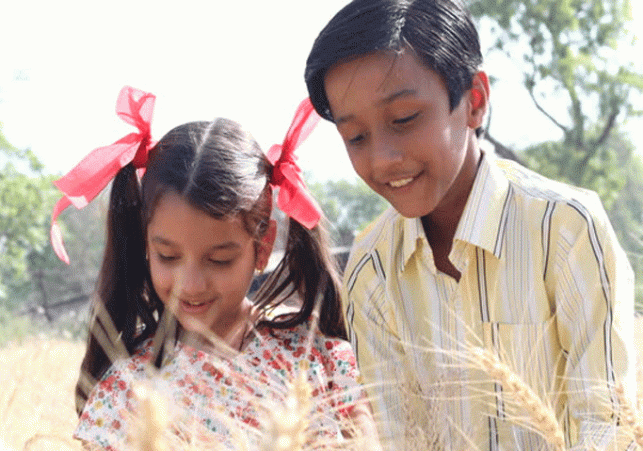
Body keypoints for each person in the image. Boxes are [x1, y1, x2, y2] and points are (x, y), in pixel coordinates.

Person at [304, 0, 637, 449]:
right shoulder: (372, 269)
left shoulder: (565, 230)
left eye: (404, 119)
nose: (382, 157)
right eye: (355, 137)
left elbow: (609, 422)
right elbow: (398, 436)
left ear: (474, 101)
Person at [50, 86, 380, 450]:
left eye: (219, 260)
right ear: (145, 244)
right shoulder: (126, 395)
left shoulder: (316, 361)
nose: (190, 285)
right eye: (168, 257)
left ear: (263, 246)